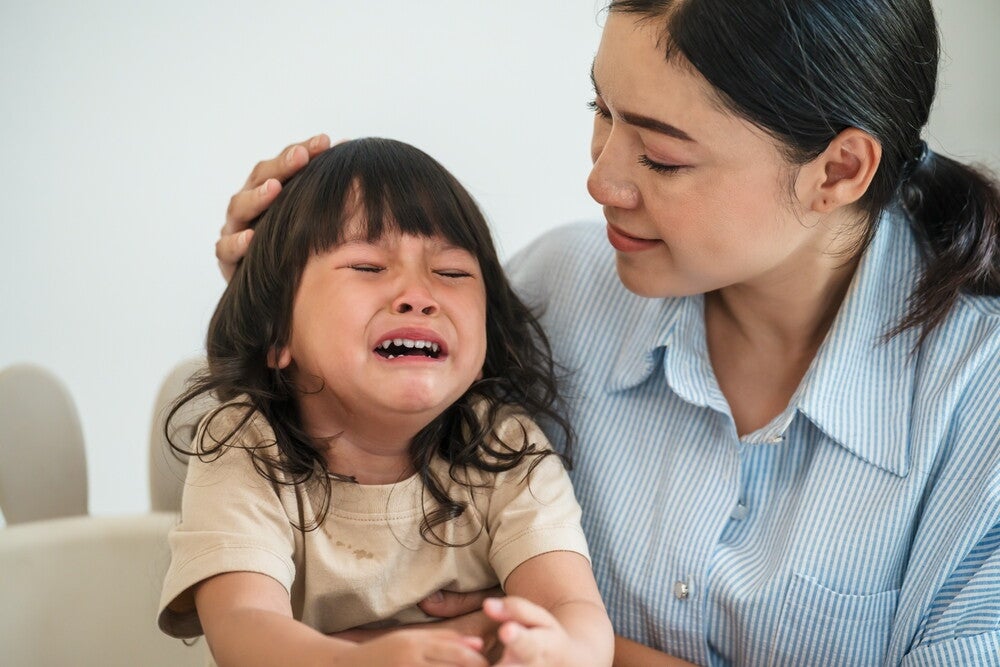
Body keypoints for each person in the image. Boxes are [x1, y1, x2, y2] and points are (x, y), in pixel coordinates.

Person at [216, 1, 1000, 665]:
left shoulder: (977, 399)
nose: (600, 178)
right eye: (602, 112)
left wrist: (585, 648)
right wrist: (280, 294)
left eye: (660, 157)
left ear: (838, 171)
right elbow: (304, 453)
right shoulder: (556, 287)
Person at [159, 137, 614, 667]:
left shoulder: (505, 448)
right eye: (369, 267)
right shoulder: (244, 446)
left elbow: (570, 605)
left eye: (452, 272)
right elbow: (243, 629)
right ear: (276, 330)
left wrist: (563, 652)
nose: (419, 294)